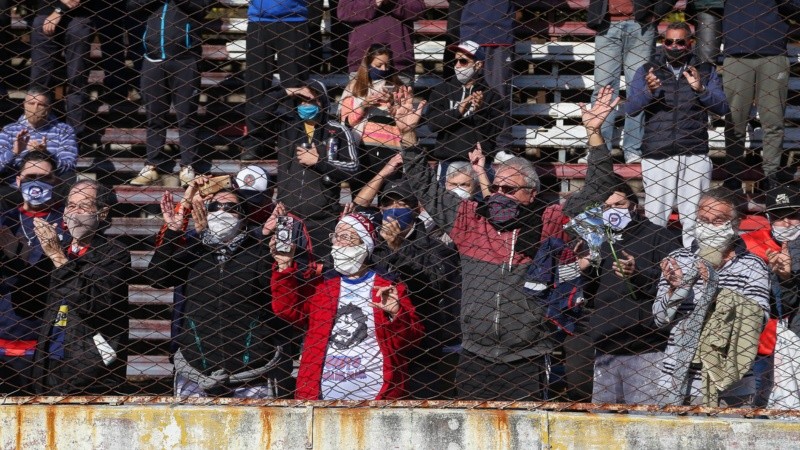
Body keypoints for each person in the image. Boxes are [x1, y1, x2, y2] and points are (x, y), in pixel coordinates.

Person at [401, 93, 556, 400]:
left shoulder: (547, 220)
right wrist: (408, 135)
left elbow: (595, 190)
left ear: (531, 194)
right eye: (495, 187)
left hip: (527, 357)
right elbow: (425, 187)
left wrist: (594, 137)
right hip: (475, 355)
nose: (499, 194)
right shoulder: (469, 220)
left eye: (508, 189)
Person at [567, 86, 683, 405]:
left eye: (619, 205)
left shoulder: (658, 235)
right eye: (606, 208)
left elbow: (676, 282)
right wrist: (584, 269)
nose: (612, 213)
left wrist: (637, 274)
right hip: (603, 346)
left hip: (647, 347)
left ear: (634, 205)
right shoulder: (594, 237)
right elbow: (584, 291)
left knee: (645, 424)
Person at [145, 188, 288, 398]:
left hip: (251, 371)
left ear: (243, 217)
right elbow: (157, 278)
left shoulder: (257, 252)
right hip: (195, 368)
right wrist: (173, 232)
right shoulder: (195, 250)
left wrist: (264, 242)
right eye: (214, 207)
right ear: (206, 213)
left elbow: (275, 291)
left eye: (231, 208)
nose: (222, 212)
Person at [271, 212, 424, 400]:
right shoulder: (321, 285)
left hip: (377, 397)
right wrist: (284, 266)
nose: (338, 242)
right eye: (336, 236)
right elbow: (287, 310)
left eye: (347, 236)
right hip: (320, 396)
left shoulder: (388, 286)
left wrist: (396, 314)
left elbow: (411, 338)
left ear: (364, 244)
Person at [654, 187, 770, 406]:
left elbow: (759, 319)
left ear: (735, 225)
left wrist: (716, 292)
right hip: (677, 376)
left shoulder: (753, 265)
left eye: (719, 220)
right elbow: (660, 319)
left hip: (730, 380)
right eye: (703, 220)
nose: (709, 226)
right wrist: (677, 288)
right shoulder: (679, 258)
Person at [626, 22, 729, 247]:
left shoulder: (705, 69)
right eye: (669, 41)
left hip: (695, 152)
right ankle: (653, 267)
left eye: (680, 42)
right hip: (657, 152)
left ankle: (693, 265)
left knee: (694, 218)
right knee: (655, 217)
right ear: (662, 43)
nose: (674, 46)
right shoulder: (647, 69)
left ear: (689, 43)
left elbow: (722, 107)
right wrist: (649, 91)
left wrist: (700, 89)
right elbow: (632, 107)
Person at [29, 179, 130, 395]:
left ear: (102, 213)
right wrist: (10, 251)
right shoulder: (60, 248)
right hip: (48, 360)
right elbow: (29, 297)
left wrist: (57, 256)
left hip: (89, 366)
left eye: (84, 206)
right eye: (71, 206)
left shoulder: (114, 252)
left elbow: (95, 302)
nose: (75, 212)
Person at [0, 152, 70, 394]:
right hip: (6, 328)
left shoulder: (68, 221)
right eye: (30, 177)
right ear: (18, 181)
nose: (36, 183)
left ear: (56, 182)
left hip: (50, 337)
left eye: (44, 177)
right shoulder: (6, 221)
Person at [128, 0, 214, 187]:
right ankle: (153, 164)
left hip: (185, 59)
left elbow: (201, 7)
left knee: (186, 116)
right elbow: (132, 7)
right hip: (152, 59)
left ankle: (188, 165)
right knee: (154, 116)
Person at [271, 81, 359, 259]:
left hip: (323, 219)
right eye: (301, 101)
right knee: (286, 264)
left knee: (322, 269)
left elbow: (353, 168)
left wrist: (320, 162)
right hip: (288, 216)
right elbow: (257, 116)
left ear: (323, 102)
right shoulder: (287, 127)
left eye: (311, 101)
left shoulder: (337, 130)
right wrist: (289, 90)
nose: (305, 105)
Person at [721, 0, 800, 190]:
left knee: (773, 120)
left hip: (774, 54)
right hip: (737, 53)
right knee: (735, 120)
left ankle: (771, 175)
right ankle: (732, 174)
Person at [586, 0, 677, 163]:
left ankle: (633, 148)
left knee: (638, 88)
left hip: (641, 24)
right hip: (606, 23)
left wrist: (656, 12)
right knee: (603, 88)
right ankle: (598, 149)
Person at [741, 184, 800, 407]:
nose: (786, 223)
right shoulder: (748, 243)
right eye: (779, 216)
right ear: (767, 217)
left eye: (793, 215)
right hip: (760, 338)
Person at [240, 0, 310, 161]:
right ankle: (256, 141)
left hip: (295, 19)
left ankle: (294, 138)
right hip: (259, 20)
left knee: (295, 84)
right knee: (256, 84)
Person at [426, 41, 507, 172]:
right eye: (455, 61)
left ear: (478, 65)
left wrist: (480, 111)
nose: (457, 66)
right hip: (448, 160)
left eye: (463, 61)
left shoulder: (492, 96)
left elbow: (492, 133)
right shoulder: (442, 90)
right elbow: (432, 124)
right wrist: (458, 111)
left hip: (479, 163)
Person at [28, 0, 100, 141]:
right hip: (44, 14)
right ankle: (35, 133)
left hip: (79, 16)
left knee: (76, 80)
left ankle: (72, 139)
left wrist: (59, 10)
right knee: (38, 82)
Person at [339, 45, 411, 182]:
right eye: (379, 65)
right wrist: (364, 106)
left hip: (392, 149)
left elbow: (406, 120)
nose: (384, 69)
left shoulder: (399, 87)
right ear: (368, 64)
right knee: (361, 196)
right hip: (362, 150)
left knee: (388, 197)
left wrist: (393, 103)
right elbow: (346, 122)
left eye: (387, 65)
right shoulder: (354, 88)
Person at [0, 88, 78, 184]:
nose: (35, 108)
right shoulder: (9, 130)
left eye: (41, 104)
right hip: (16, 186)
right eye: (31, 103)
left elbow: (69, 165)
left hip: (50, 183)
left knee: (69, 177)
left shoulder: (64, 130)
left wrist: (46, 155)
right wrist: (14, 152)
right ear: (24, 104)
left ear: (49, 108)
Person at [337, 0, 425, 80]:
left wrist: (393, 2)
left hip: (399, 63)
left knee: (400, 97)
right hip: (362, 64)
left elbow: (418, 10)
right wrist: (373, 2)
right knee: (361, 97)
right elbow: (344, 12)